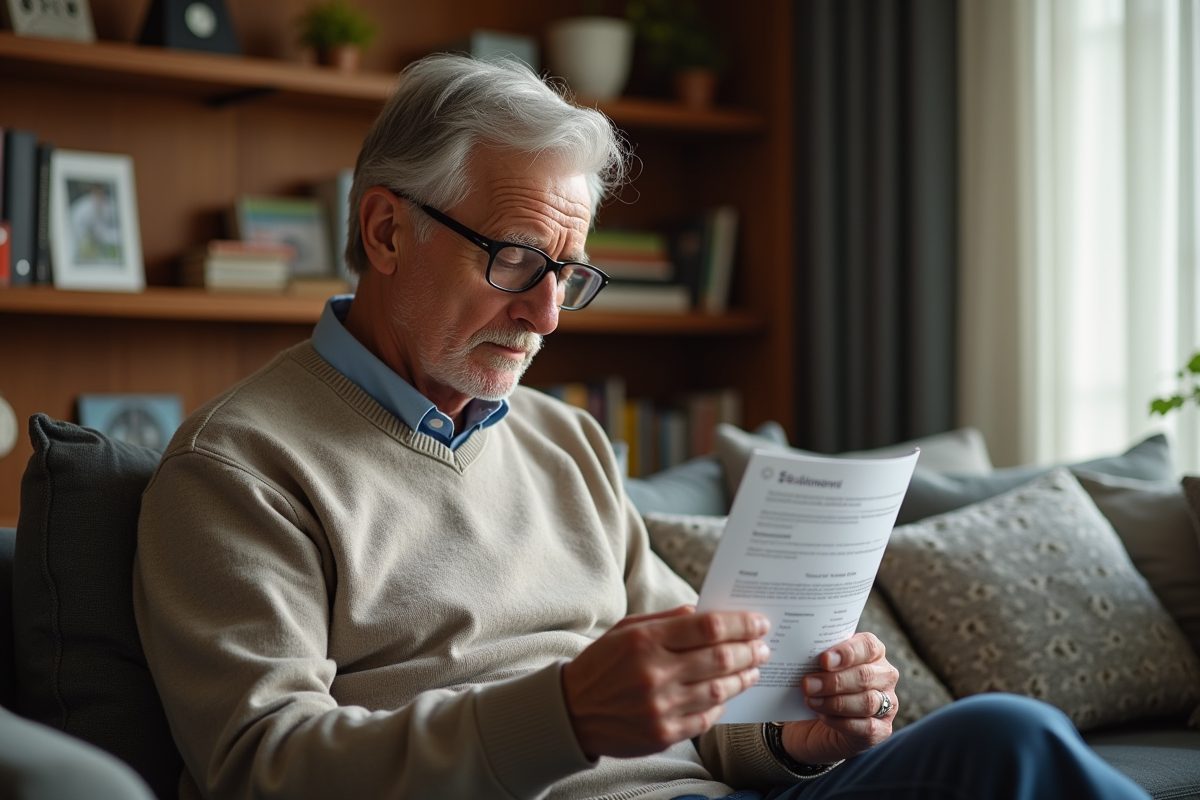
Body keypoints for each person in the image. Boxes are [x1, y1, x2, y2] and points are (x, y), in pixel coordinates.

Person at [133, 54, 1153, 800]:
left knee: (1003, 737)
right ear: (387, 229)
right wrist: (563, 716)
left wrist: (790, 735)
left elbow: (704, 709)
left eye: (567, 276)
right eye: (515, 259)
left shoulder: (563, 442)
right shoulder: (239, 465)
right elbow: (259, 765)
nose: (543, 314)